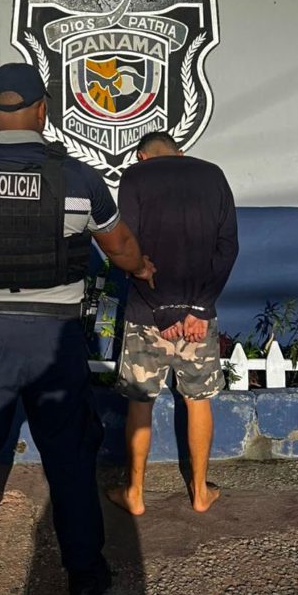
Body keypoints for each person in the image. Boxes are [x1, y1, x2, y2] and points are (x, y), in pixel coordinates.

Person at [0, 62, 156, 595]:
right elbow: (120, 248)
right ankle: (85, 583)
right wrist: (142, 267)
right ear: (43, 110)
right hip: (55, 339)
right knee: (69, 459)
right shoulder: (79, 180)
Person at [107, 131, 238, 516]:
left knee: (140, 402)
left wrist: (163, 310)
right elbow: (228, 247)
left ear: (142, 156)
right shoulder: (213, 174)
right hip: (199, 319)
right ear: (180, 152)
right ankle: (199, 493)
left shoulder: (134, 177)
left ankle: (135, 494)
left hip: (147, 315)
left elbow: (126, 247)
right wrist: (198, 308)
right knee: (198, 401)